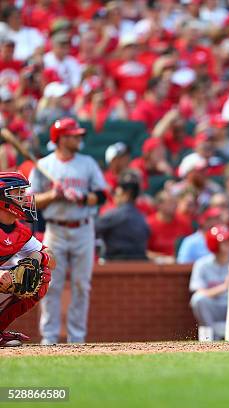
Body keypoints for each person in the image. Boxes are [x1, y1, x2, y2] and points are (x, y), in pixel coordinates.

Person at [30, 118, 107, 344]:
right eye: (73, 135)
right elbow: (31, 201)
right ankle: (49, 337)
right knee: (51, 283)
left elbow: (102, 195)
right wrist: (54, 195)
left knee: (82, 285)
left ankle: (77, 338)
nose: (78, 138)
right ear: (60, 138)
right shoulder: (45, 165)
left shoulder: (87, 163)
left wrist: (81, 197)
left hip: (83, 227)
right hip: (56, 229)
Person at [0, 172, 55, 347]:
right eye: (18, 193)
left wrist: (38, 257)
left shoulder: (20, 231)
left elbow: (53, 259)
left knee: (41, 274)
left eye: (24, 193)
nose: (25, 199)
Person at [189, 225, 229, 341]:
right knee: (198, 299)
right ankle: (210, 335)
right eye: (224, 242)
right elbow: (199, 292)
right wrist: (224, 286)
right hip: (214, 305)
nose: (228, 244)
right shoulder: (202, 264)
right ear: (213, 244)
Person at [95, 173, 149, 260]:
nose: (115, 197)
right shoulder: (142, 217)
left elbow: (92, 229)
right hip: (140, 266)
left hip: (115, 266)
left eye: (116, 194)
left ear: (126, 195)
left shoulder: (115, 215)